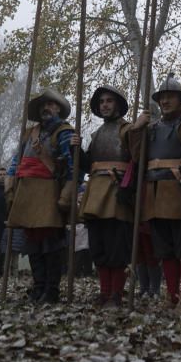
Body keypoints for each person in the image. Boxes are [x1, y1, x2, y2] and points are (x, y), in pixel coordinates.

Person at [127, 74, 181, 313]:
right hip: (155, 194)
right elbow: (137, 157)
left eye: (170, 96)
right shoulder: (152, 128)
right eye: (161, 97)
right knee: (165, 249)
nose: (164, 101)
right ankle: (171, 296)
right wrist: (136, 130)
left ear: (180, 99)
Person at [5, 89, 75, 304]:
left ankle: (51, 290)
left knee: (51, 244)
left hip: (48, 191)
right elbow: (17, 160)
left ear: (59, 109)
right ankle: (38, 286)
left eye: (52, 104)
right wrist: (10, 183)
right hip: (26, 192)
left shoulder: (64, 132)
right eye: (44, 105)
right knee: (33, 244)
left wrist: (67, 193)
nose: (47, 108)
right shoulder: (29, 133)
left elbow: (71, 166)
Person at [78, 85, 133, 308]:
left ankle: (116, 295)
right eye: (102, 102)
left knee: (116, 246)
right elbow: (87, 165)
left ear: (118, 105)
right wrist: (77, 151)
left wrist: (128, 190)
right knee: (99, 245)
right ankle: (105, 292)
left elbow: (136, 161)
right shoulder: (97, 134)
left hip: (118, 191)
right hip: (96, 194)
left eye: (109, 101)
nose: (105, 105)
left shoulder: (128, 131)